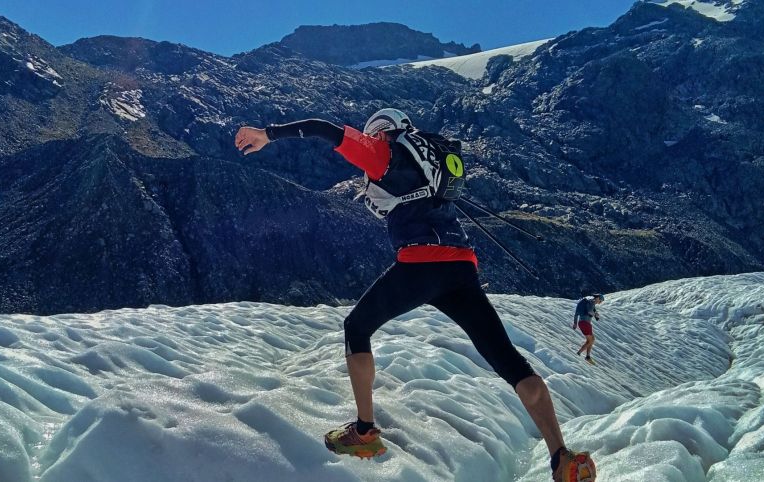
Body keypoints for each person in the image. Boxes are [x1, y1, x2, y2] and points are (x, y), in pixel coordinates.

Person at [235, 109, 596, 481]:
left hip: (420, 263)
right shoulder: (430, 162)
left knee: (356, 327)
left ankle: (363, 432)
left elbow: (323, 129)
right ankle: (562, 457)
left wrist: (267, 133)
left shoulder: (384, 153)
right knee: (509, 362)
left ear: (380, 133)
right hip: (461, 269)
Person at [573, 294, 604, 364]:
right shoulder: (591, 302)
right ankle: (579, 353)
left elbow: (576, 314)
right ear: (598, 298)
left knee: (592, 339)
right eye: (600, 301)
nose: (600, 302)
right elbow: (589, 312)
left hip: (583, 323)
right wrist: (595, 315)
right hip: (585, 323)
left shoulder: (587, 302)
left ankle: (587, 356)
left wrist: (575, 323)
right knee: (590, 340)